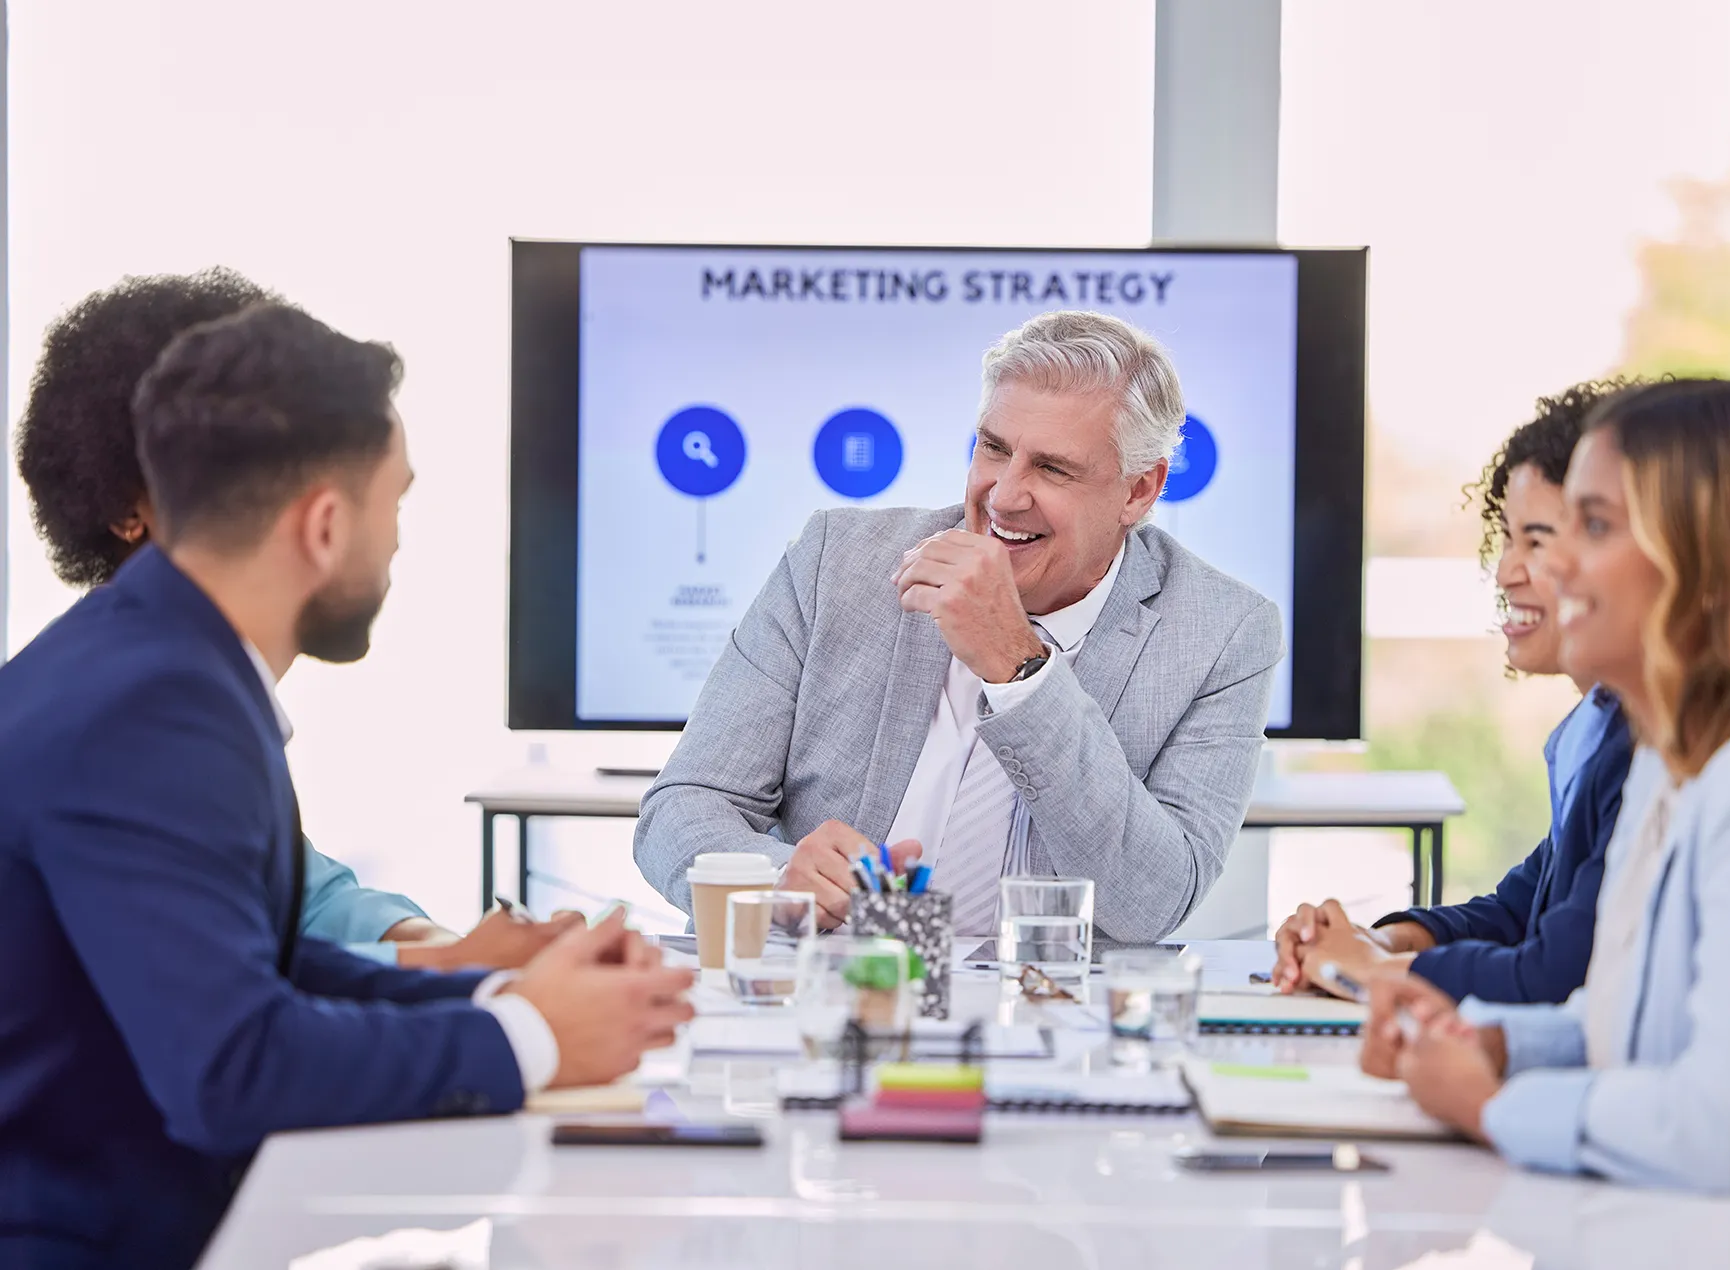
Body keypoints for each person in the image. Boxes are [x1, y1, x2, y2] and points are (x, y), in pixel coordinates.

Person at [0, 302, 695, 1270]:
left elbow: (265, 964)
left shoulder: (153, 662)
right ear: (325, 524)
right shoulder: (154, 706)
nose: (399, 543)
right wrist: (529, 1038)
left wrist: (500, 991)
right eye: (395, 501)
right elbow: (230, 1067)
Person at [1363, 379, 1730, 1270]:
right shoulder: (1673, 762)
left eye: (1595, 527)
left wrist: (1490, 1105)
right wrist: (1495, 1042)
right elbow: (1636, 1030)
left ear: (1716, 558)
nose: (1551, 563)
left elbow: (1729, 1130)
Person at [635, 310, 1282, 942]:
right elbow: (681, 809)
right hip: (825, 995)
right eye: (994, 449)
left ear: (1140, 491)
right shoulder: (839, 561)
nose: (1003, 495)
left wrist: (1021, 669)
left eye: (1052, 468)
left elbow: (1153, 902)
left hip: (1047, 1018)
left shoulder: (1223, 631)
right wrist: (779, 886)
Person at [12, 267, 559, 970]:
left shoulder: (176, 675)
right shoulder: (134, 715)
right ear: (129, 508)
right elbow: (237, 1028)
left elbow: (287, 901)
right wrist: (509, 1023)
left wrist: (441, 955)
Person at [1270, 383, 1636, 1004]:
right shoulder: (1596, 725)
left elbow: (1558, 971)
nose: (1507, 570)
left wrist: (1373, 971)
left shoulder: (1645, 744)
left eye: (1541, 540)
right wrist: (1381, 942)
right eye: (1510, 537)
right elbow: (1520, 911)